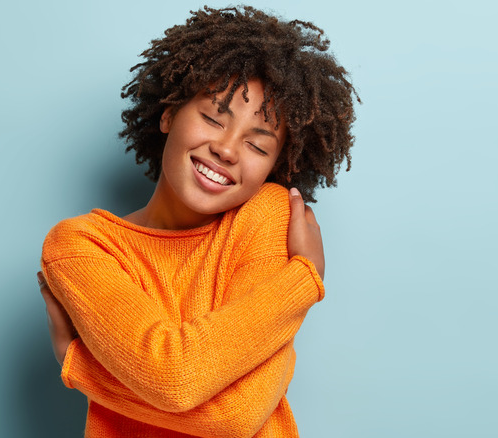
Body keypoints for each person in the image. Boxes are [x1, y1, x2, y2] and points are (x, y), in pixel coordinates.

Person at [37, 6, 358, 437]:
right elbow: (175, 381)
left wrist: (82, 368)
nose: (226, 149)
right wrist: (303, 280)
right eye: (212, 118)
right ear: (169, 114)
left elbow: (237, 416)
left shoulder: (267, 215)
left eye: (258, 146)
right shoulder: (81, 246)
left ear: (275, 167)